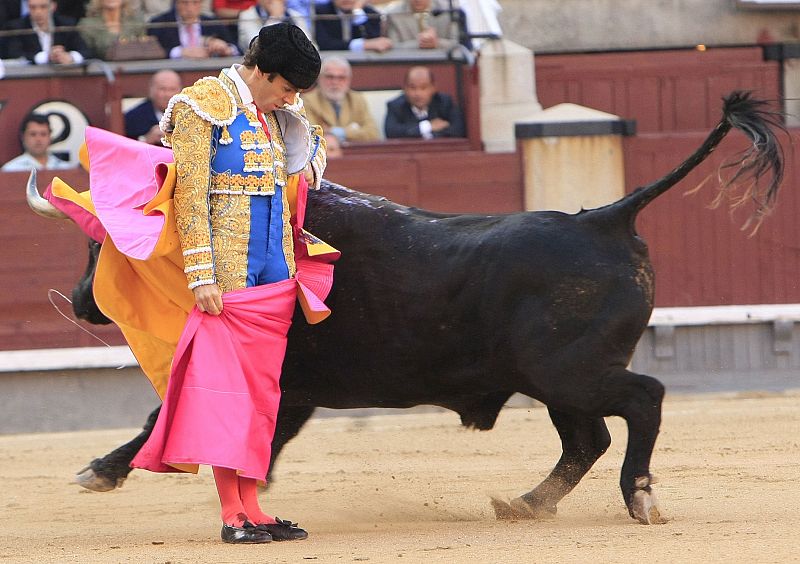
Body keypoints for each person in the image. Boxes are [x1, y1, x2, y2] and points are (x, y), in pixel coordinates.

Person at [124, 22, 329, 544]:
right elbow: (189, 196)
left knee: (262, 392)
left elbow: (310, 161)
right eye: (287, 88)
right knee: (227, 395)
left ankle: (254, 506)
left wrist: (307, 150)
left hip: (275, 272)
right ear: (262, 71)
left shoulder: (280, 113)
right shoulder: (201, 107)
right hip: (227, 276)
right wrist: (201, 275)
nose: (292, 99)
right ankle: (232, 513)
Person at [302, 55, 379, 143]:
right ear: (319, 78)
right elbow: (310, 135)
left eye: (341, 78)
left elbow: (373, 133)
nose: (335, 82)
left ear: (349, 80)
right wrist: (353, 131)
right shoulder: (307, 100)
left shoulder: (357, 99)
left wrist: (342, 133)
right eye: (330, 77)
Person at [384, 65, 465, 139]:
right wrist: (427, 126)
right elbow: (391, 132)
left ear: (433, 88)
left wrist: (420, 133)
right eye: (412, 88)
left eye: (424, 88)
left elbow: (458, 130)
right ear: (405, 89)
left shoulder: (445, 102)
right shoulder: (395, 106)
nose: (418, 93)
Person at [4, 0, 91, 64]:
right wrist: (46, 57)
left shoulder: (66, 24)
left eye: (43, 7)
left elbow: (86, 51)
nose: (38, 12)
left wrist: (70, 57)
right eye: (32, 7)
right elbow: (14, 54)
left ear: (53, 6)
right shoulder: (18, 27)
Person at [148, 0, 239, 59]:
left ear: (201, 4)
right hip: (173, 71)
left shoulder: (212, 23)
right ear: (176, 4)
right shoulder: (160, 23)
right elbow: (151, 53)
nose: (190, 9)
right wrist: (179, 52)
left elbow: (238, 49)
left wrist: (226, 49)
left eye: (195, 2)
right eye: (185, 3)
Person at [124, 69, 183, 144]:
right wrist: (145, 140)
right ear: (151, 91)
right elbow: (124, 146)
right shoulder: (132, 118)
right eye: (162, 89)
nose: (167, 95)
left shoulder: (192, 113)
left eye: (172, 89)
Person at [77, 0, 147, 59]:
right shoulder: (87, 25)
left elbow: (144, 49)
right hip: (100, 68)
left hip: (134, 67)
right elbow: (87, 53)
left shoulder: (135, 23)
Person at [2, 113, 73, 171]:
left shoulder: (66, 168)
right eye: (33, 134)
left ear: (50, 136)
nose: (38, 139)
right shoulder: (10, 169)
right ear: (23, 137)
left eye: (43, 134)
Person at [313, 0, 391, 52]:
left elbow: (376, 41)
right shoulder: (320, 12)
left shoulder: (371, 13)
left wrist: (357, 12)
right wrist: (361, 45)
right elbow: (324, 44)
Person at [384, 0, 462, 51]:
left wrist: (437, 43)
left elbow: (458, 45)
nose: (417, 0)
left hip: (443, 64)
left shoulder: (449, 11)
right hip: (407, 64)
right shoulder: (394, 15)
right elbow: (393, 47)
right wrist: (419, 43)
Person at [237, 0, 309, 52]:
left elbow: (308, 45)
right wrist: (275, 17)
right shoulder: (247, 15)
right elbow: (256, 46)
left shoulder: (295, 15)